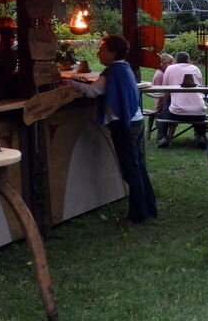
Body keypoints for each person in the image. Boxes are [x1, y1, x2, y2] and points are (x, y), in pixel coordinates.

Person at [63, 35, 157, 224]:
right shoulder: (125, 68)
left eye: (102, 49)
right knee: (139, 167)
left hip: (123, 125)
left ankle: (137, 215)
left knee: (131, 169)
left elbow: (92, 91)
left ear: (112, 53)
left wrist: (70, 82)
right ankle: (149, 207)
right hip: (135, 121)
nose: (98, 52)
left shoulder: (112, 71)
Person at [155, 51, 208, 149]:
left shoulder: (170, 69)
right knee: (196, 109)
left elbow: (165, 91)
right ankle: (201, 136)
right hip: (199, 113)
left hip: (177, 113)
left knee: (161, 115)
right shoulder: (195, 69)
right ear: (188, 61)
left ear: (175, 60)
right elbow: (199, 89)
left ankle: (162, 137)